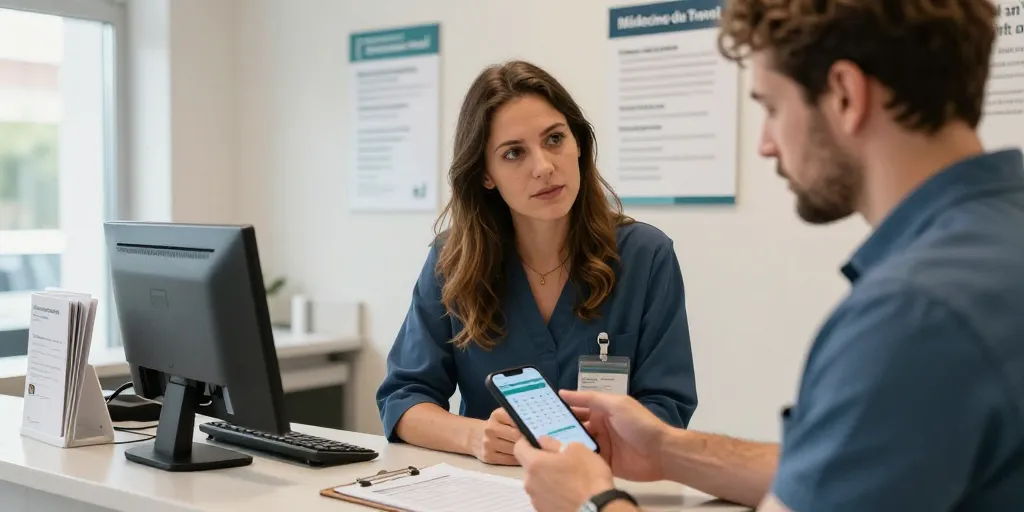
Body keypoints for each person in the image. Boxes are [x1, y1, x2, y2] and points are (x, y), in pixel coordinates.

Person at [514, 0, 1024, 510]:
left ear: (846, 95)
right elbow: (837, 466)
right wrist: (667, 448)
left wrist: (591, 499)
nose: (765, 144)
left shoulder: (911, 313)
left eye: (772, 108)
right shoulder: (997, 244)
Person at [375, 60, 699, 466]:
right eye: (513, 153)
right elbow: (404, 399)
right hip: (486, 491)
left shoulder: (645, 256)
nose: (544, 167)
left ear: (578, 144)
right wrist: (476, 436)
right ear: (486, 175)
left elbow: (667, 409)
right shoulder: (451, 259)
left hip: (603, 489)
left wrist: (582, 445)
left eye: (554, 139)